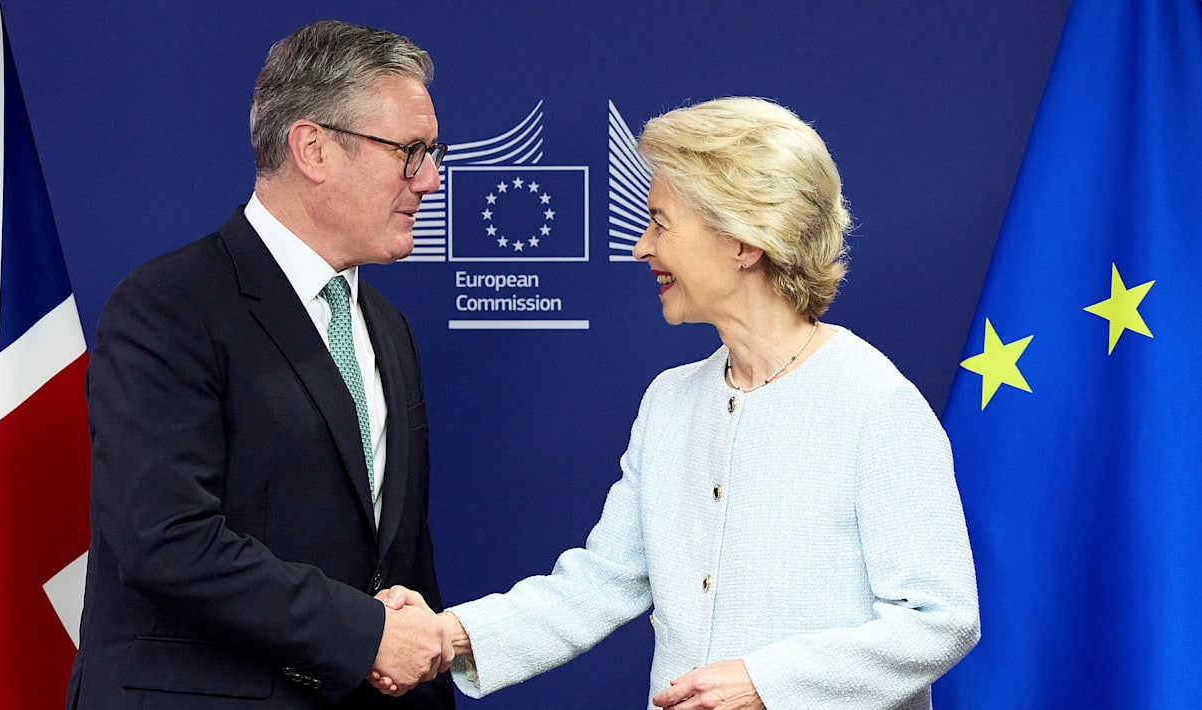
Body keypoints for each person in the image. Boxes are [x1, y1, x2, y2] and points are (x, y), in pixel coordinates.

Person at [379, 97, 980, 709]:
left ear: (744, 240)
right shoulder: (669, 401)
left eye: (660, 223)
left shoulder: (874, 403)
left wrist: (765, 685)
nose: (641, 247)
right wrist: (448, 635)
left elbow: (939, 619)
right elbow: (602, 581)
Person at [66, 20, 456, 710]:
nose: (430, 179)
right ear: (313, 148)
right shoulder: (169, 307)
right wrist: (364, 635)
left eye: (431, 152)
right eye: (410, 152)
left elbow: (399, 565)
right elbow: (166, 538)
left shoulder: (387, 328)